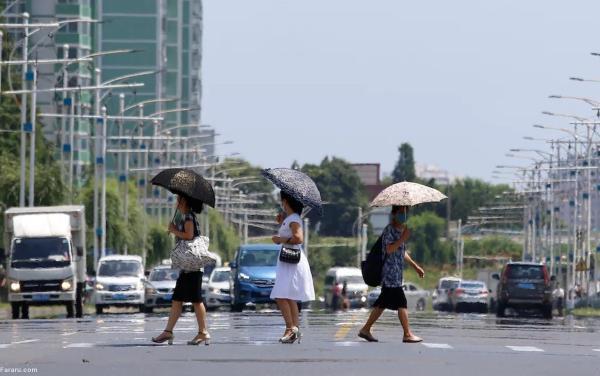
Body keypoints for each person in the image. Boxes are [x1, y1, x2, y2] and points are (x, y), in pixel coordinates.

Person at [358, 205, 424, 343]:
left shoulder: (401, 230)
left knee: (382, 303)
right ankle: (407, 334)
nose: (403, 215)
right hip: (390, 274)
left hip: (396, 274)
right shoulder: (389, 230)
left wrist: (416, 267)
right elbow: (389, 249)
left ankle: (366, 329)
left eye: (405, 212)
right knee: (401, 302)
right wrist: (403, 238)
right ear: (394, 214)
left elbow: (402, 252)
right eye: (400, 212)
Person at [152, 195, 210, 346]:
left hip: (193, 268)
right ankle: (168, 332)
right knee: (178, 299)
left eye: (178, 200)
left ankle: (203, 332)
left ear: (184, 202)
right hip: (189, 268)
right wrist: (176, 229)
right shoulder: (187, 217)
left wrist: (174, 230)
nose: (176, 203)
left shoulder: (189, 216)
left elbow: (189, 236)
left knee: (196, 300)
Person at [270, 191, 315, 344]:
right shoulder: (290, 218)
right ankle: (293, 329)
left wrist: (279, 239)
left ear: (286, 201)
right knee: (288, 296)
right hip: (288, 260)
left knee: (281, 295)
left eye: (282, 200)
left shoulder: (294, 219)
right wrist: (282, 220)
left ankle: (290, 328)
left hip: (291, 259)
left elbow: (298, 238)